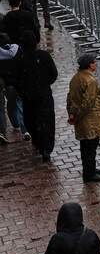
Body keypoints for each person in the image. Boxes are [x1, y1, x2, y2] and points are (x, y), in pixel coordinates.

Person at [66, 53, 100, 183]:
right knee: (90, 147)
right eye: (94, 62)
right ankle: (89, 174)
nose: (96, 64)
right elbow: (88, 103)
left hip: (83, 119)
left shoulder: (76, 77)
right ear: (89, 65)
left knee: (87, 147)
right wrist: (78, 117)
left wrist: (72, 114)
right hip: (89, 120)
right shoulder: (90, 81)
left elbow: (70, 98)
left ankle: (91, 169)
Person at [15, 32, 57, 161]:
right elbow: (53, 74)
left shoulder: (20, 59)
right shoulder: (44, 56)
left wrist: (23, 91)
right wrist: (45, 84)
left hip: (29, 96)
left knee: (31, 120)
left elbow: (16, 79)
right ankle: (46, 148)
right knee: (47, 120)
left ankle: (39, 143)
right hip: (43, 94)